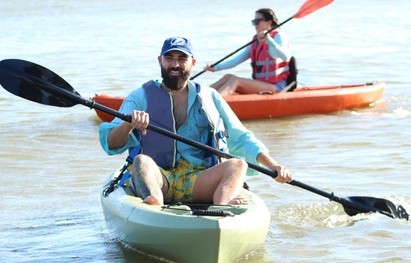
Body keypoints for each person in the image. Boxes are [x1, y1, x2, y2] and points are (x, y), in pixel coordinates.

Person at [99, 37, 293, 206]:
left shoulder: (210, 97)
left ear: (193, 62)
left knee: (238, 164)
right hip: (160, 177)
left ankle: (222, 209)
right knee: (141, 162)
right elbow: (110, 143)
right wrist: (128, 125)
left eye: (182, 59)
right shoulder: (140, 97)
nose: (175, 65)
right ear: (160, 61)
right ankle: (154, 203)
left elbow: (241, 137)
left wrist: (273, 166)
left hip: (199, 180)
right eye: (169, 59)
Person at [204, 8, 293, 96]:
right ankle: (201, 97)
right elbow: (235, 61)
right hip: (261, 84)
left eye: (257, 21)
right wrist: (215, 67)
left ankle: (210, 104)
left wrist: (269, 41)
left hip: (277, 87)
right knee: (228, 77)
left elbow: (286, 57)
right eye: (254, 22)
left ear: (269, 23)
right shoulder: (256, 40)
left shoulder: (278, 36)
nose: (255, 25)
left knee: (235, 80)